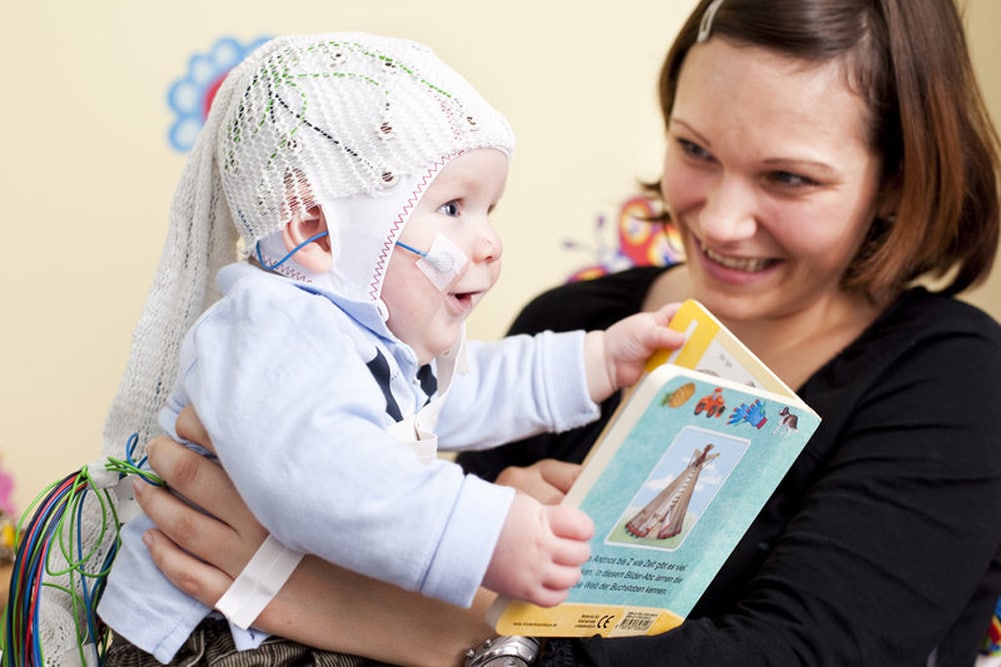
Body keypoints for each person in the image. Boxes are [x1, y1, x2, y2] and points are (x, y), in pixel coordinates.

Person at [126, 0, 1001, 664]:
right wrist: (480, 534)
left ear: (894, 181)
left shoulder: (951, 381)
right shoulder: (569, 323)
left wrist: (432, 620)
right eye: (694, 150)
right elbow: (389, 492)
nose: (721, 220)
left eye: (788, 178)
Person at [95, 32, 684, 665]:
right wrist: (487, 534)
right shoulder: (270, 326)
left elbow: (469, 386)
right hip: (211, 637)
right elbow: (326, 477)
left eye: (490, 209)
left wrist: (599, 360)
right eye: (453, 206)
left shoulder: (371, 342)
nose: (489, 243)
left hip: (285, 618)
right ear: (316, 228)